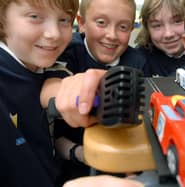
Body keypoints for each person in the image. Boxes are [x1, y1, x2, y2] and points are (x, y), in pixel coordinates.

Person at [0, 0, 144, 186]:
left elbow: (53, 88)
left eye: (64, 20)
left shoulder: (49, 63)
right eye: (35, 17)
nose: (54, 34)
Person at [135, 0, 185, 77]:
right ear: (147, 29)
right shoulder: (138, 60)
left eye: (177, 21)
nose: (168, 34)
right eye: (157, 25)